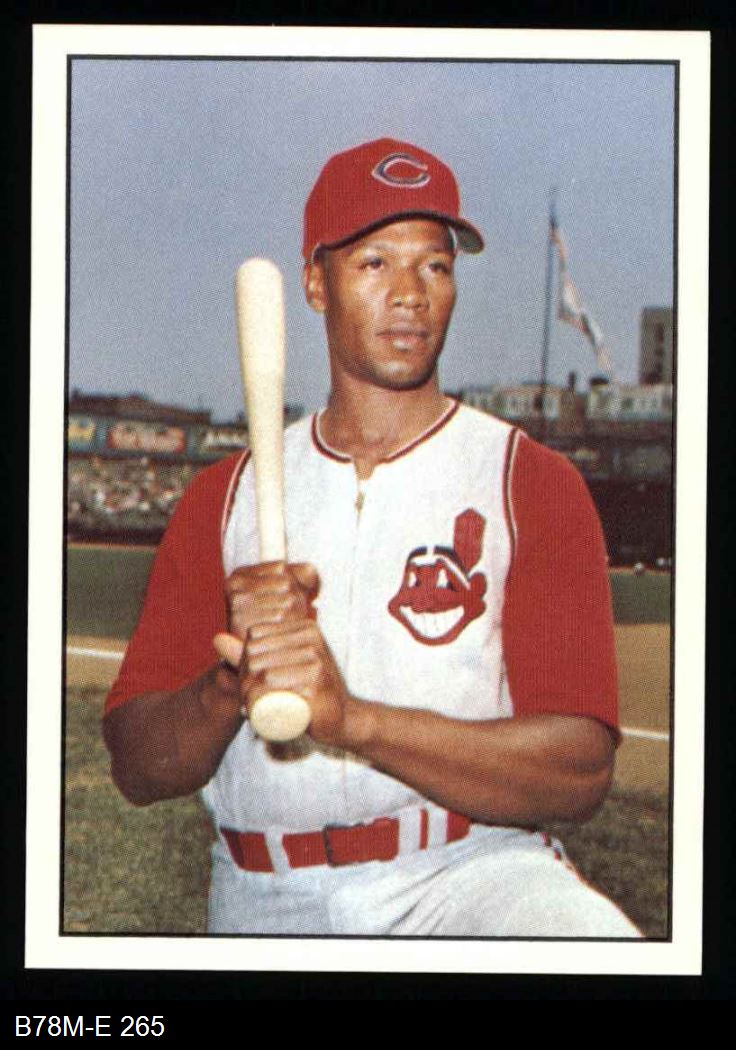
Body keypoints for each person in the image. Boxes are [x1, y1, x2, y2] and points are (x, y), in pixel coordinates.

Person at [103, 138, 640, 938]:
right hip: (264, 895)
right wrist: (229, 685)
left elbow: (578, 769)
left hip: (469, 874)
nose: (411, 295)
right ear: (316, 284)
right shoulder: (223, 497)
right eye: (376, 263)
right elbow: (138, 767)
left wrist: (352, 720)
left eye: (435, 265)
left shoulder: (528, 480)